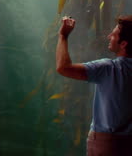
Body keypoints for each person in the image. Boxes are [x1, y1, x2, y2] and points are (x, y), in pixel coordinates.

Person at [56, 15, 132, 155]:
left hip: (106, 144)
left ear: (123, 44)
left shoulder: (109, 69)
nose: (109, 36)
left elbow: (63, 67)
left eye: (114, 34)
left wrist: (63, 36)